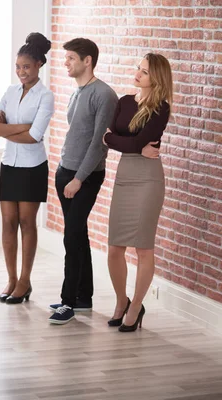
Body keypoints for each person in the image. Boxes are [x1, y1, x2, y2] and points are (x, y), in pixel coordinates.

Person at [48, 38, 118, 325]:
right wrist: (66, 172)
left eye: (71, 58)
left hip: (85, 177)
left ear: (87, 60)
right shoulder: (78, 91)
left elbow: (99, 144)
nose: (66, 62)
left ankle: (67, 302)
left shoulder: (104, 95)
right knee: (77, 234)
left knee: (71, 235)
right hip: (66, 170)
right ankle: (83, 296)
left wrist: (78, 179)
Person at [104, 53, 173, 332]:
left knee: (143, 247)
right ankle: (122, 301)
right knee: (114, 248)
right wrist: (129, 144)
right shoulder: (124, 102)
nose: (138, 74)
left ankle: (136, 307)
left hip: (148, 179)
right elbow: (107, 137)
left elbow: (138, 141)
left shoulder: (161, 108)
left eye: (144, 72)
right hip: (125, 175)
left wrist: (120, 141)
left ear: (155, 78)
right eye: (138, 69)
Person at [0, 33, 55, 305]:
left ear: (39, 64)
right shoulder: (10, 91)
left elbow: (35, 136)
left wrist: (11, 129)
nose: (21, 72)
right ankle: (11, 278)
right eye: (18, 67)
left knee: (27, 223)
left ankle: (25, 280)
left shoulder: (46, 96)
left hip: (32, 166)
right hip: (9, 164)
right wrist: (22, 128)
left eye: (26, 66)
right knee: (8, 222)